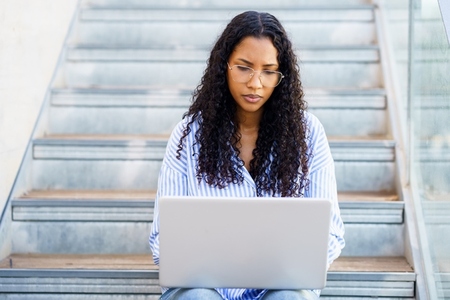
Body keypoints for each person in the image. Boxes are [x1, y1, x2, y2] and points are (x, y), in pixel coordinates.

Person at [149, 10, 345, 300]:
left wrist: (285, 272)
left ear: (282, 76)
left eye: (268, 71)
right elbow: (162, 239)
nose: (255, 83)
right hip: (203, 290)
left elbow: (331, 232)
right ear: (224, 66)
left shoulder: (309, 133)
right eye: (244, 67)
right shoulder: (188, 135)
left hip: (279, 290)